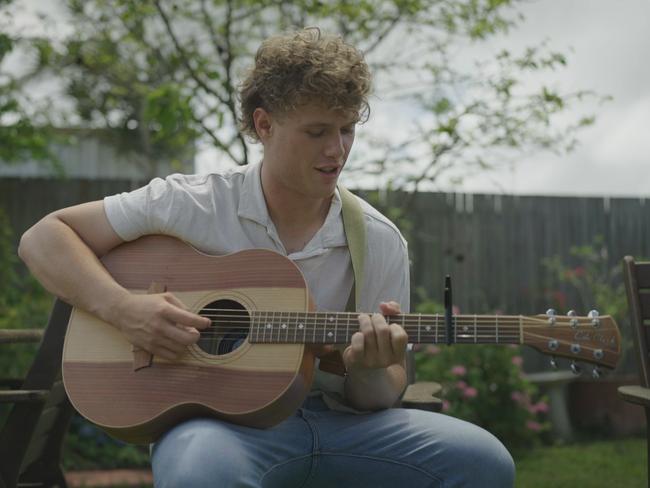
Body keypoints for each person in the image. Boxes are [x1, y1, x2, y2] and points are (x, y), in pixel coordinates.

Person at [19, 28, 515, 487]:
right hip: (224, 430)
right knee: (200, 472)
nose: (337, 150)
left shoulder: (378, 240)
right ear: (265, 125)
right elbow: (44, 238)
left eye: (347, 130)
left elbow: (383, 394)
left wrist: (368, 368)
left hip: (346, 426)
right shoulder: (190, 202)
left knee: (484, 462)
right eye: (317, 131)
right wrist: (123, 309)